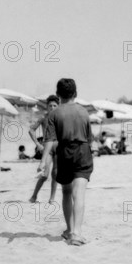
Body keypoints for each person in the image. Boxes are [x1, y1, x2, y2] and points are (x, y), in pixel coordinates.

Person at [39, 78, 94, 246]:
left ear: (57, 95)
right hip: (82, 151)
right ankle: (76, 233)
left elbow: (49, 139)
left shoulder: (54, 114)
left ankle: (69, 230)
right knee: (80, 194)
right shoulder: (84, 112)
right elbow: (89, 139)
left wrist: (43, 161)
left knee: (67, 193)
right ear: (75, 93)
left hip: (64, 153)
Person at [30, 96, 59, 204]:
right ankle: (33, 196)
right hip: (47, 147)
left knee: (56, 173)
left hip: (59, 147)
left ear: (58, 106)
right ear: (47, 106)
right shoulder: (43, 117)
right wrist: (37, 144)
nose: (52, 107)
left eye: (55, 105)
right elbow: (31, 130)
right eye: (50, 105)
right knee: (45, 175)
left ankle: (52, 199)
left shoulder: (61, 118)